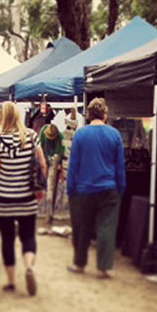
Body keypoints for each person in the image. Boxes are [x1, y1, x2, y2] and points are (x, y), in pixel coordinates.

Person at [0, 102, 47, 296]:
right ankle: (29, 266)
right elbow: (43, 164)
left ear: (2, 116)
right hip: (27, 197)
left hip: (4, 197)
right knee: (28, 236)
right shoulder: (31, 136)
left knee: (8, 239)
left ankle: (12, 281)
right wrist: (40, 186)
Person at [66, 97, 126, 279]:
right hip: (109, 189)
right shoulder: (115, 135)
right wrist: (121, 188)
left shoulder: (80, 135)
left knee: (81, 229)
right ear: (105, 115)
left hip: (83, 190)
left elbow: (73, 165)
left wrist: (70, 189)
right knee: (106, 227)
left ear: (89, 115)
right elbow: (120, 166)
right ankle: (104, 267)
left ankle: (80, 264)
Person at [38, 122, 65, 231]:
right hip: (45, 159)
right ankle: (43, 209)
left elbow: (60, 156)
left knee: (51, 188)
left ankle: (49, 213)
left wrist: (59, 169)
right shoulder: (44, 132)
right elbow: (40, 148)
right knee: (41, 185)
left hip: (55, 162)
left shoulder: (60, 137)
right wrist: (42, 165)